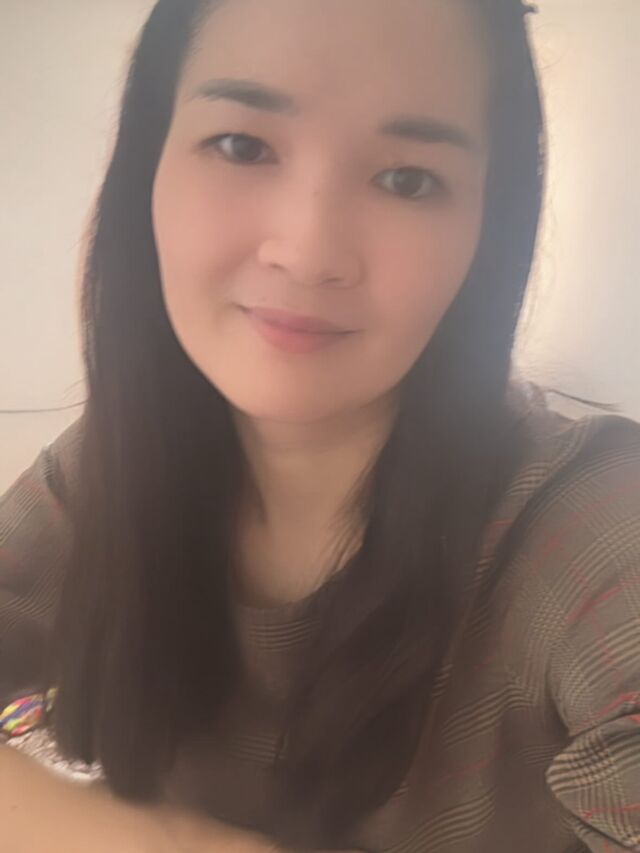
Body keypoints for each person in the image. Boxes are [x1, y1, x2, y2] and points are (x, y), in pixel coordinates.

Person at [1, 0, 639, 851]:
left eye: (408, 179)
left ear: (487, 229)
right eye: (242, 145)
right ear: (147, 167)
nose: (306, 251)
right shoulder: (104, 472)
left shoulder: (596, 529)